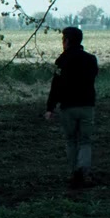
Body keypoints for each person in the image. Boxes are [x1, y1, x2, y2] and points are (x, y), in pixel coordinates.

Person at [44, 26, 99, 189]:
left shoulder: (61, 61)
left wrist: (50, 107)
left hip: (68, 106)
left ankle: (74, 171)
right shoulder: (91, 59)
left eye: (63, 39)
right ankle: (84, 171)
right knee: (85, 140)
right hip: (87, 105)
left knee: (71, 140)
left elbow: (55, 86)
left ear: (67, 41)